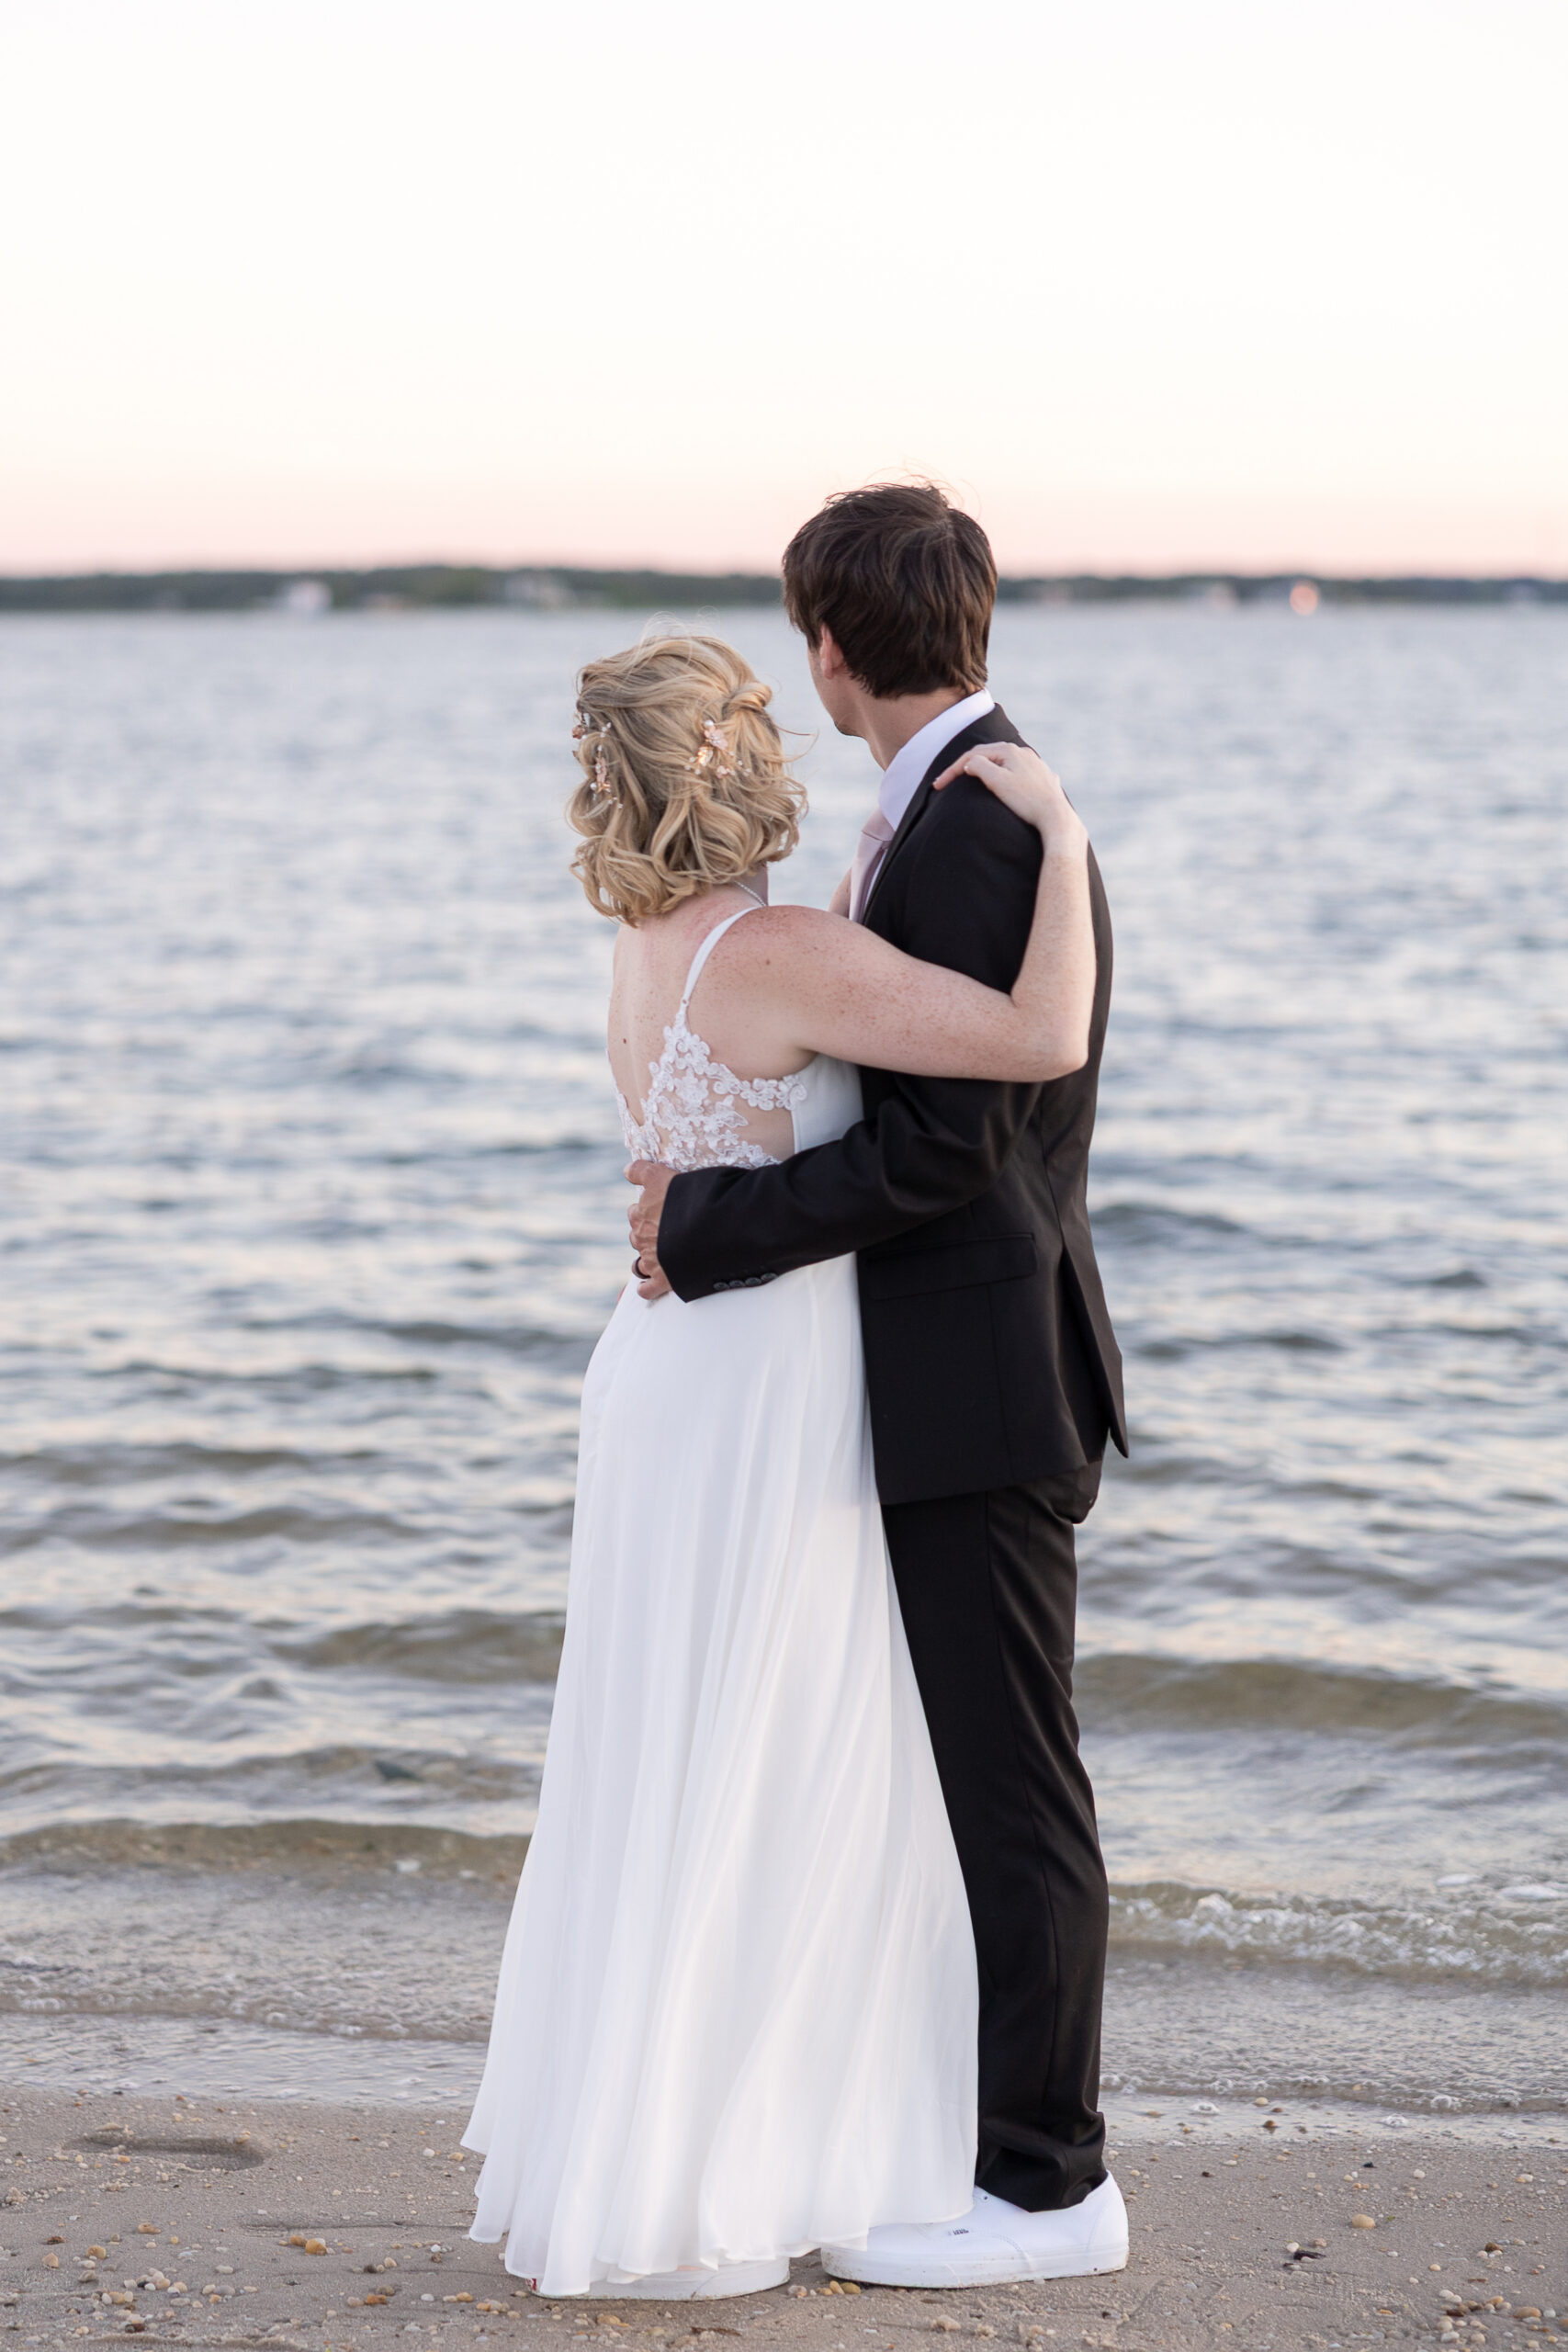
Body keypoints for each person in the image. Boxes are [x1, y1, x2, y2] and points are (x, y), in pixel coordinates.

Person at [463, 621, 1121, 2300]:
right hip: (762, 1389)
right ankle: (788, 2150)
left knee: (671, 1754)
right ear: (740, 758)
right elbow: (1041, 1036)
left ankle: (664, 2148)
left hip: (668, 1379)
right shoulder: (781, 955)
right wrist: (1057, 836)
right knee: (778, 1747)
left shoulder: (650, 947)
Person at [629, 485, 1129, 2290]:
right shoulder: (963, 807)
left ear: (831, 643)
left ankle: (1049, 2183)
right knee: (974, 1783)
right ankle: (987, 2148)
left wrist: (707, 1222)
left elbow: (945, 1150)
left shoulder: (980, 829)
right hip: (948, 1373)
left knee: (1010, 1789)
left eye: (803, 633)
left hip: (980, 1377)